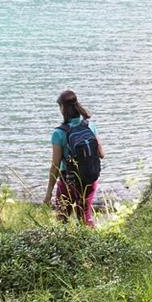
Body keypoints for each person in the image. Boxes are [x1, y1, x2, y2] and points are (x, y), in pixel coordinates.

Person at [44, 89, 105, 226]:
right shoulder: (90, 125)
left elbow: (55, 166)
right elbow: (102, 154)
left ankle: (64, 246)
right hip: (89, 179)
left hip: (68, 182)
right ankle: (95, 245)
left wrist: (49, 193)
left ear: (63, 108)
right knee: (85, 218)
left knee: (62, 220)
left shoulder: (59, 133)